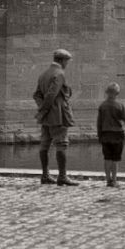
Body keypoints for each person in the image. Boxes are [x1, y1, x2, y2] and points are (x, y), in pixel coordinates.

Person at [33, 49, 79, 186]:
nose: (67, 64)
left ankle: (45, 175)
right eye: (67, 61)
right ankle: (62, 176)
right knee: (62, 144)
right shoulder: (59, 74)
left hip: (46, 117)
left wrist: (42, 110)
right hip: (58, 115)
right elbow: (51, 95)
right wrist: (45, 109)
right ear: (62, 60)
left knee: (44, 144)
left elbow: (36, 95)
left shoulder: (43, 74)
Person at [96, 82, 125, 187]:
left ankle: (108, 180)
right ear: (117, 93)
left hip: (106, 135)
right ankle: (114, 180)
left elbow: (99, 123)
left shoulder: (102, 106)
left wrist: (99, 136)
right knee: (115, 159)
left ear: (107, 92)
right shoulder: (119, 106)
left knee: (107, 158)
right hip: (117, 135)